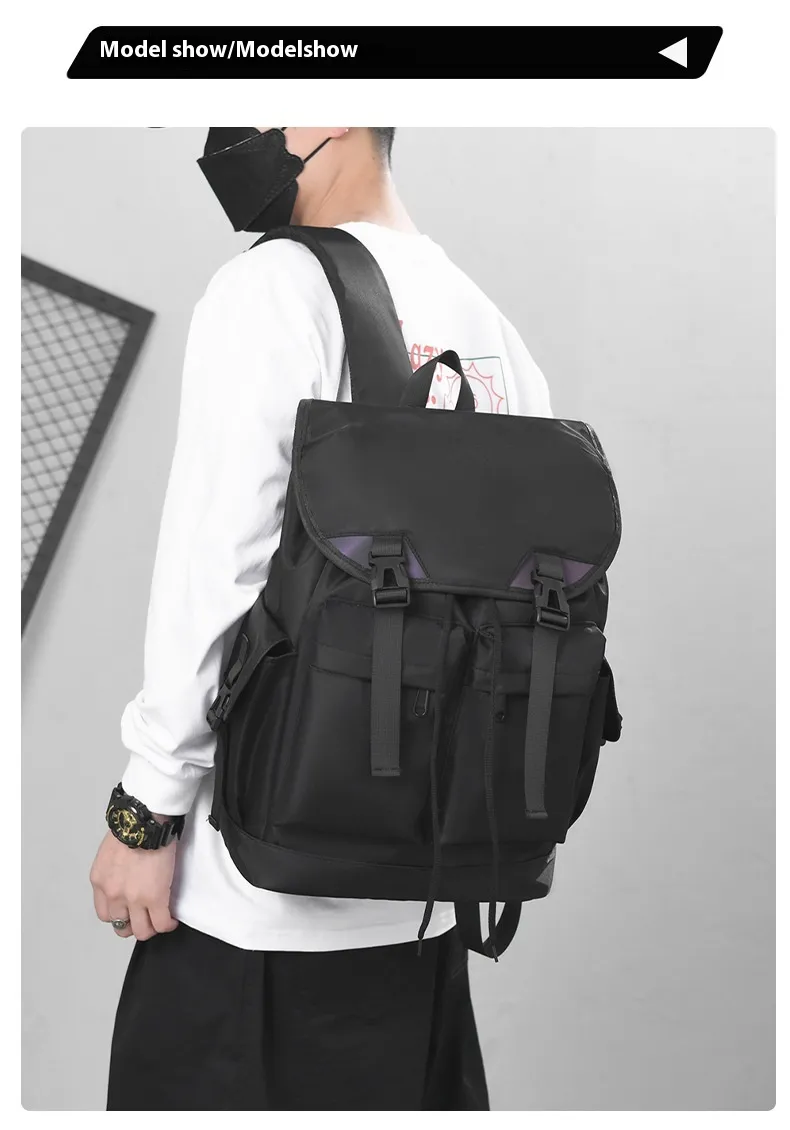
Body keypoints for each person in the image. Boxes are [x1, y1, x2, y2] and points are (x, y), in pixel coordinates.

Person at [90, 126, 552, 1111]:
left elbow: (219, 562)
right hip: (427, 908)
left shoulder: (276, 285)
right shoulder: (491, 325)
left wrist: (146, 805)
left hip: (256, 906)